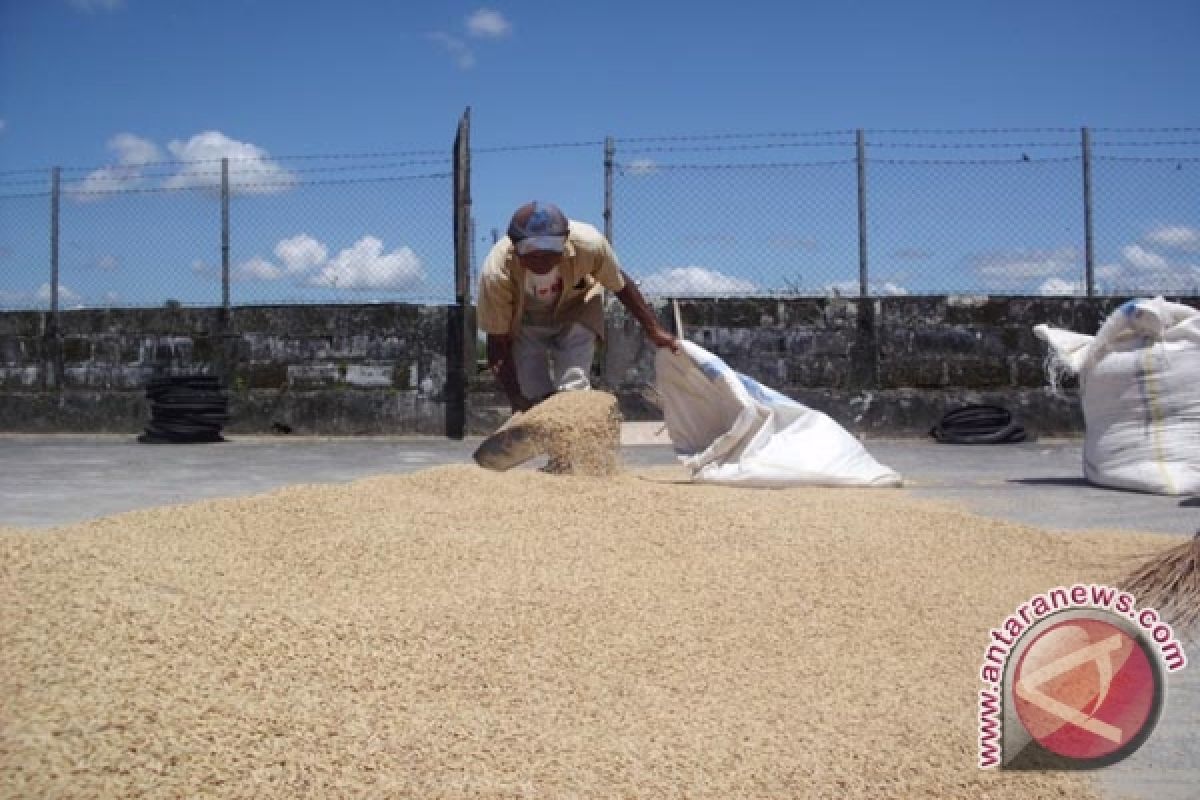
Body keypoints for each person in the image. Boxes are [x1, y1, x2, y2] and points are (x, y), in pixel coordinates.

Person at [477, 201, 678, 412]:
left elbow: (620, 285)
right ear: (515, 248)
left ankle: (576, 432)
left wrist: (654, 329)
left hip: (577, 309)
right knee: (532, 393)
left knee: (573, 388)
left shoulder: (589, 245)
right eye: (530, 250)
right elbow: (497, 342)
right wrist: (515, 397)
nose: (542, 257)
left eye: (552, 248)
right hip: (527, 319)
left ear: (565, 240)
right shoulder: (496, 274)